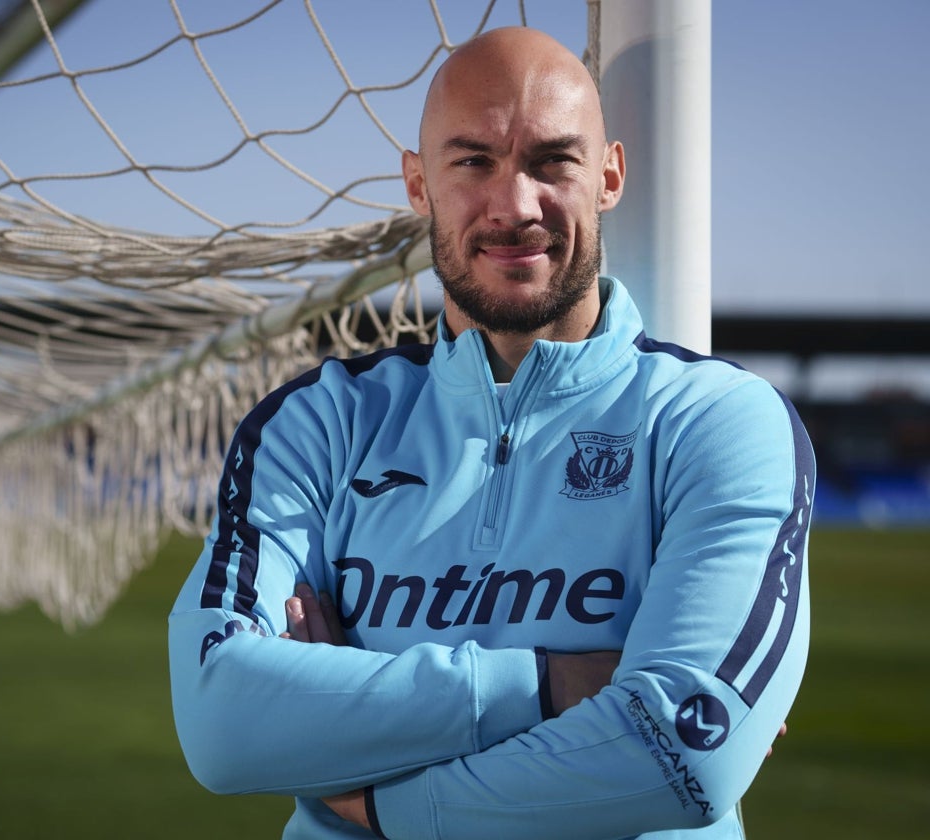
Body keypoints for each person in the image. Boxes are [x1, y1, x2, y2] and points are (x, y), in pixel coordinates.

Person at [168, 26, 813, 840]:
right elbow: (222, 720)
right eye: (473, 161)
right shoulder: (319, 423)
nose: (514, 205)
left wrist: (376, 800)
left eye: (552, 161)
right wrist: (555, 687)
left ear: (608, 176)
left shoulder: (717, 420)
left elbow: (685, 751)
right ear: (417, 184)